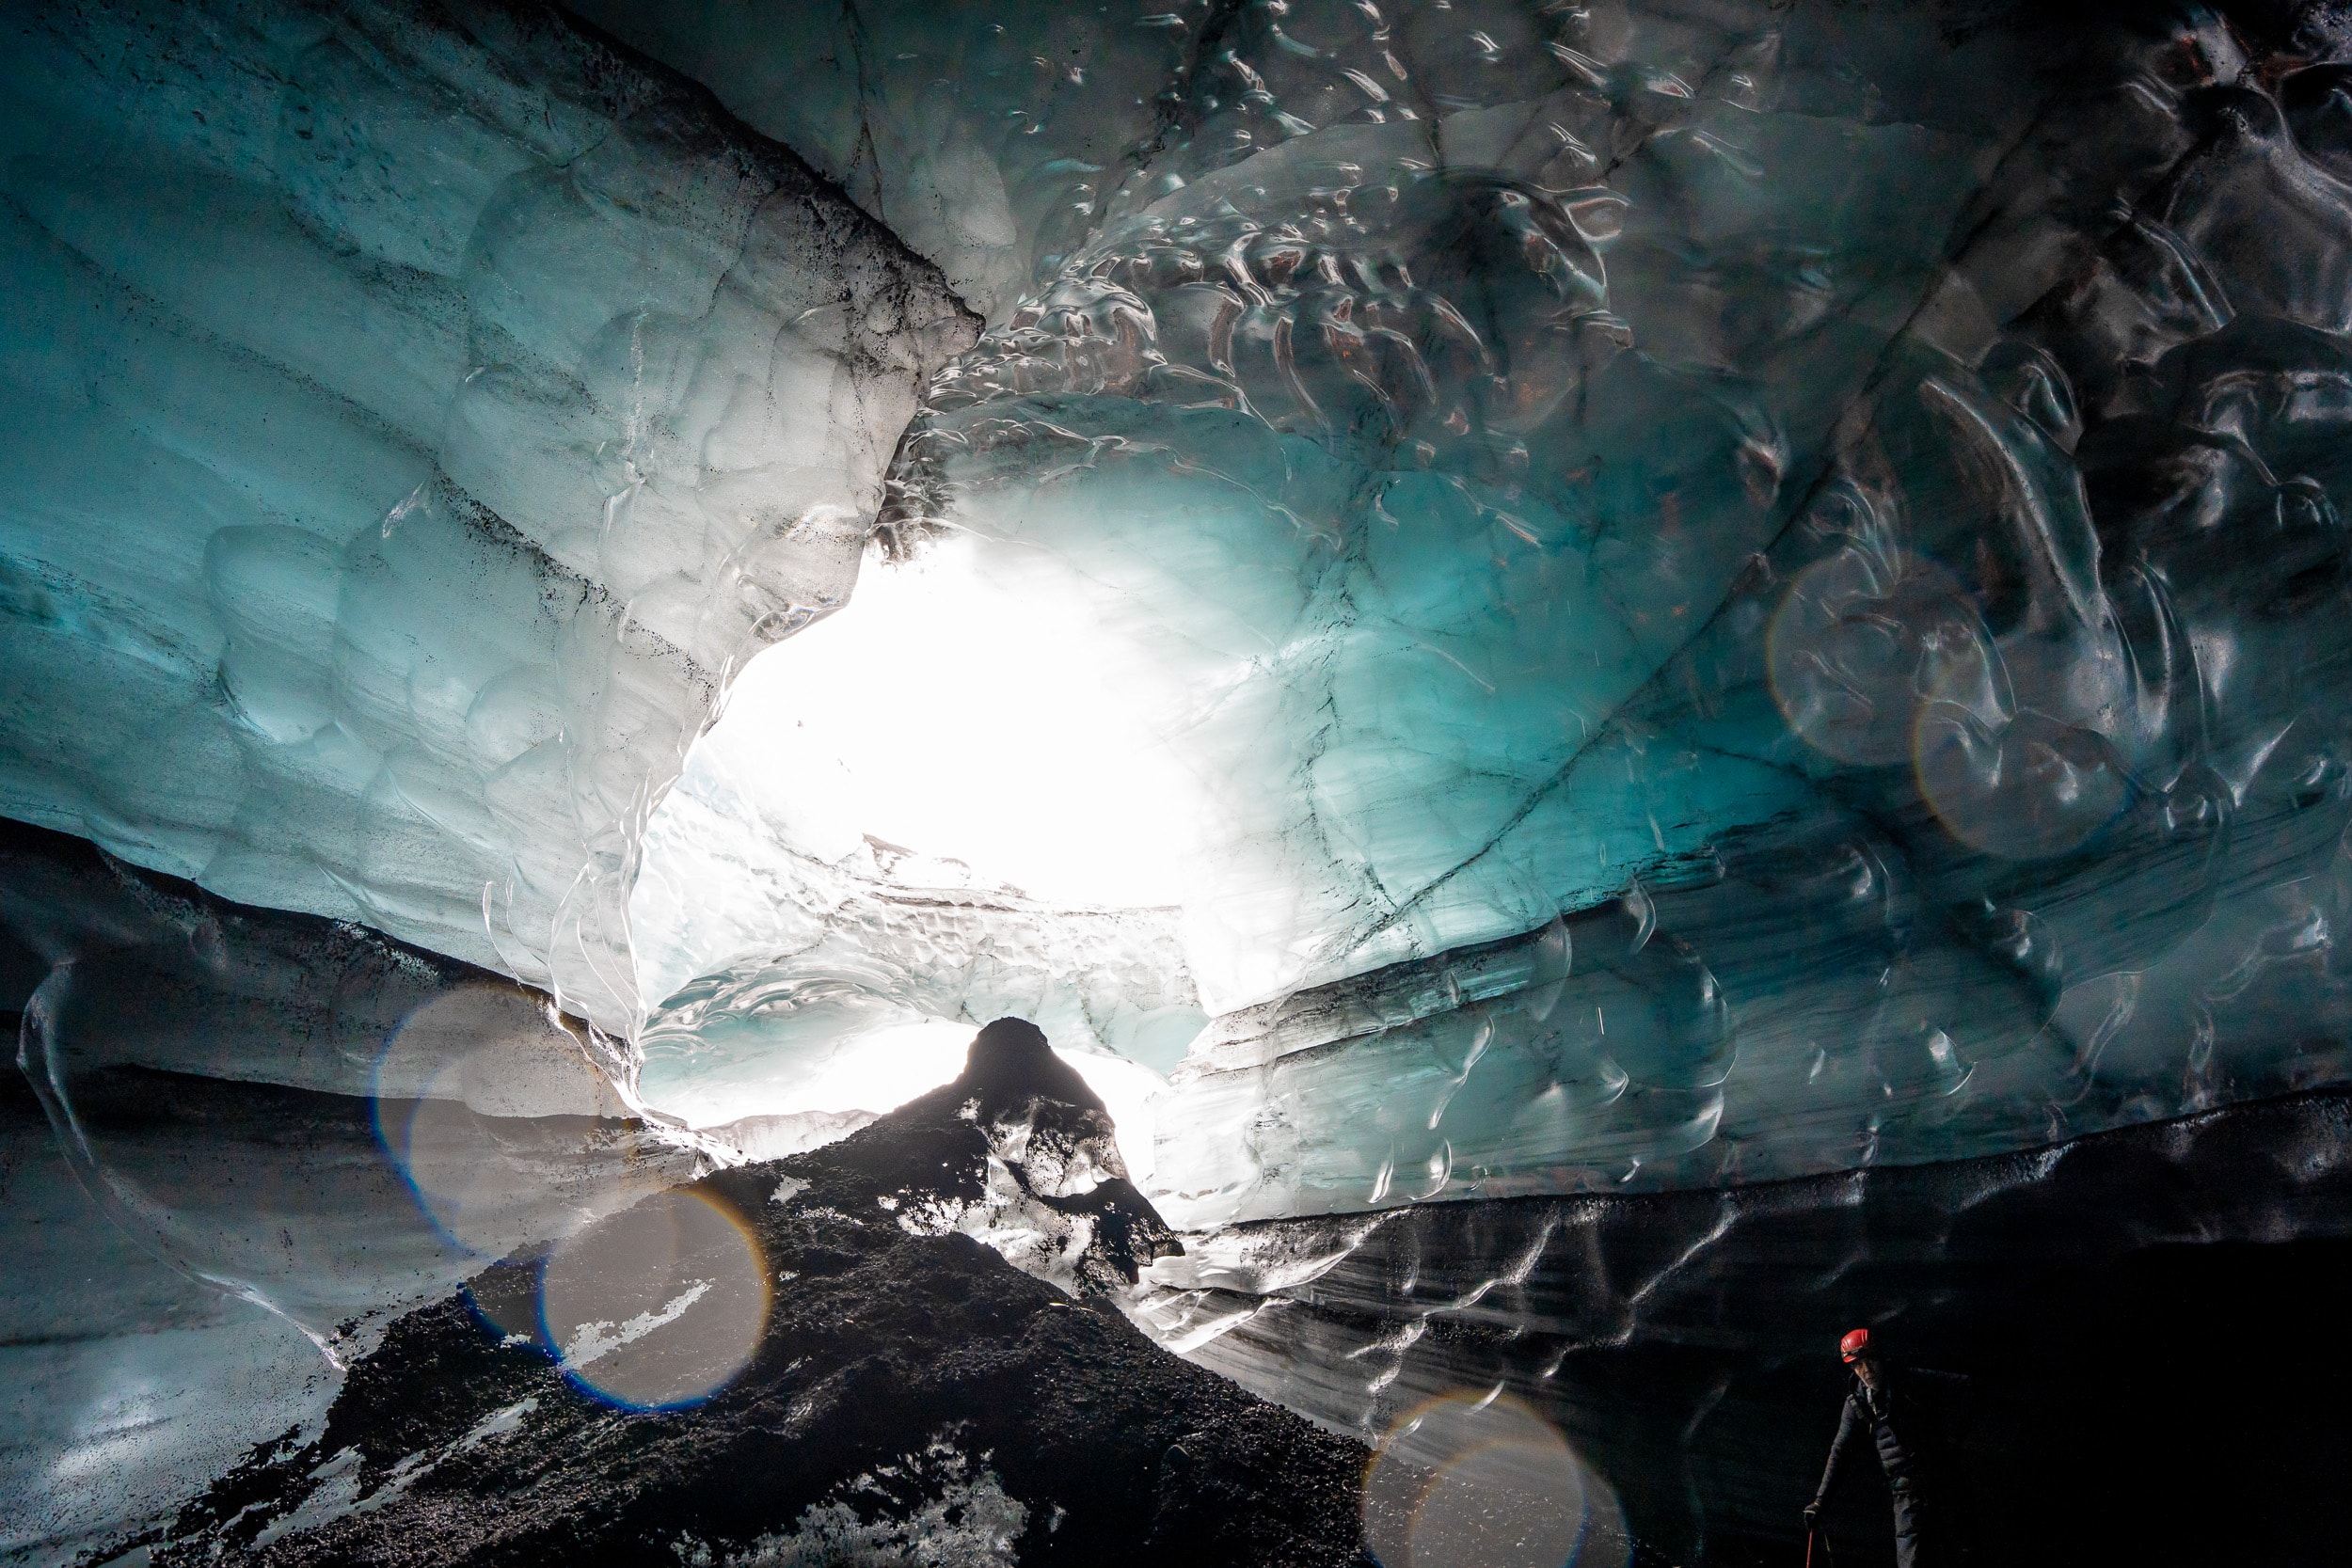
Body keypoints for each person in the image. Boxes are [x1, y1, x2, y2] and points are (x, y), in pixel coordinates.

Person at [1804, 1328, 1936, 1568]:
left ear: (1880, 1357)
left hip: (1940, 1476)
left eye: (1869, 1361)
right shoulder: (1857, 1402)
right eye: (1857, 1365)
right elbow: (1840, 1451)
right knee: (1911, 1558)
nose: (1866, 1370)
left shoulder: (1908, 1380)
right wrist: (1819, 1502)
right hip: (1905, 1487)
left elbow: (1963, 1388)